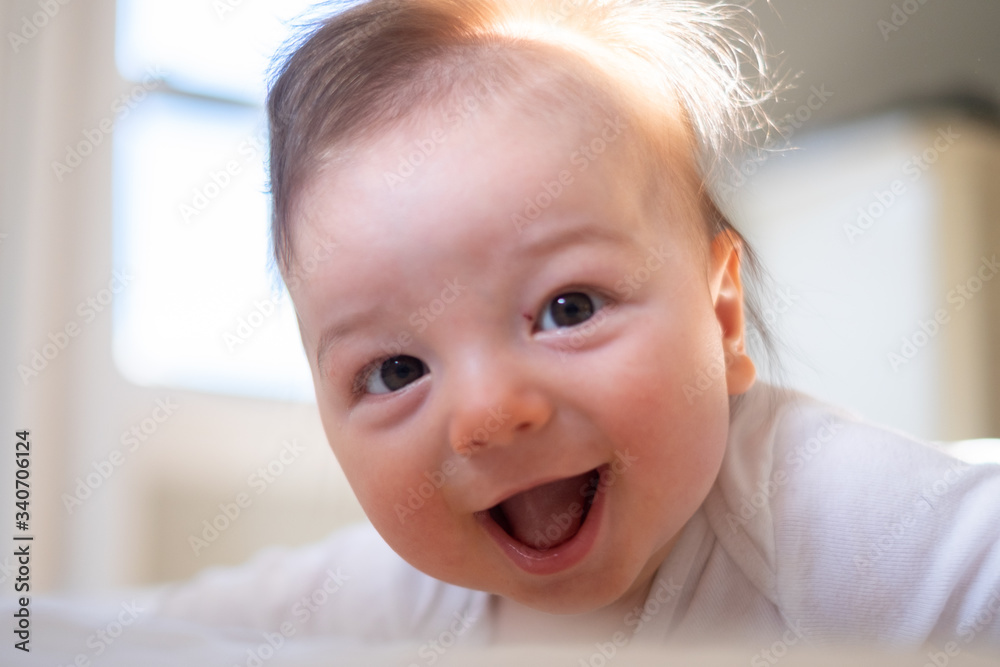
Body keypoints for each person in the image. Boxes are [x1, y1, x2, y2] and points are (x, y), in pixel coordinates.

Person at [153, 0, 1000, 653]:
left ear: (722, 317)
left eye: (569, 308)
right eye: (398, 369)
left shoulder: (817, 508)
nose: (487, 412)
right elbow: (141, 632)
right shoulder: (413, 592)